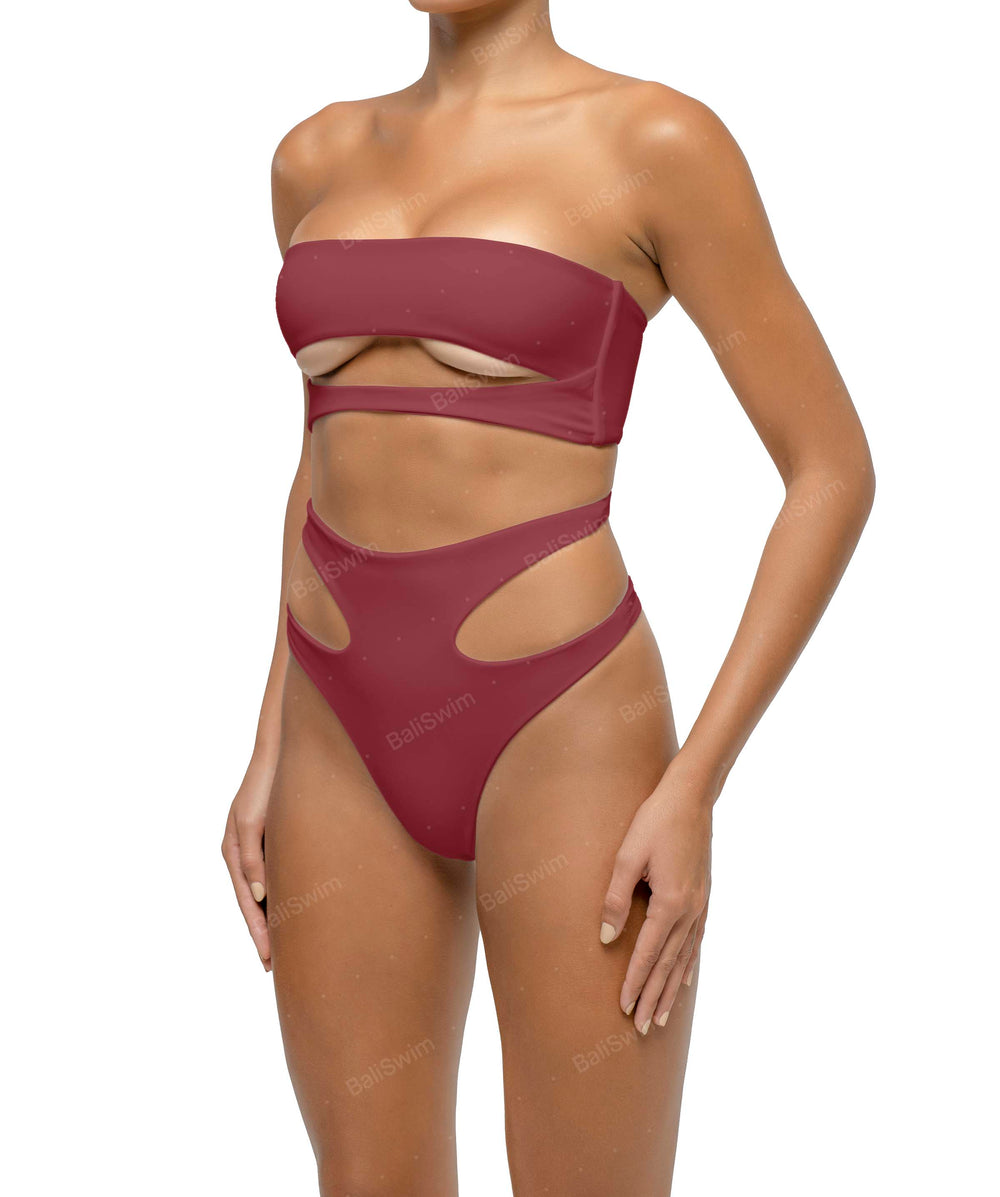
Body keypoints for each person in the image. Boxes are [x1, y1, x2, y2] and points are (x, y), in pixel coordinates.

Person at [221, 2, 875, 1192]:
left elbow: (829, 471)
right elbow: (326, 452)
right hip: (337, 729)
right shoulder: (312, 156)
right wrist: (270, 739)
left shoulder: (654, 141)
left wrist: (695, 787)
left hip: (561, 721)